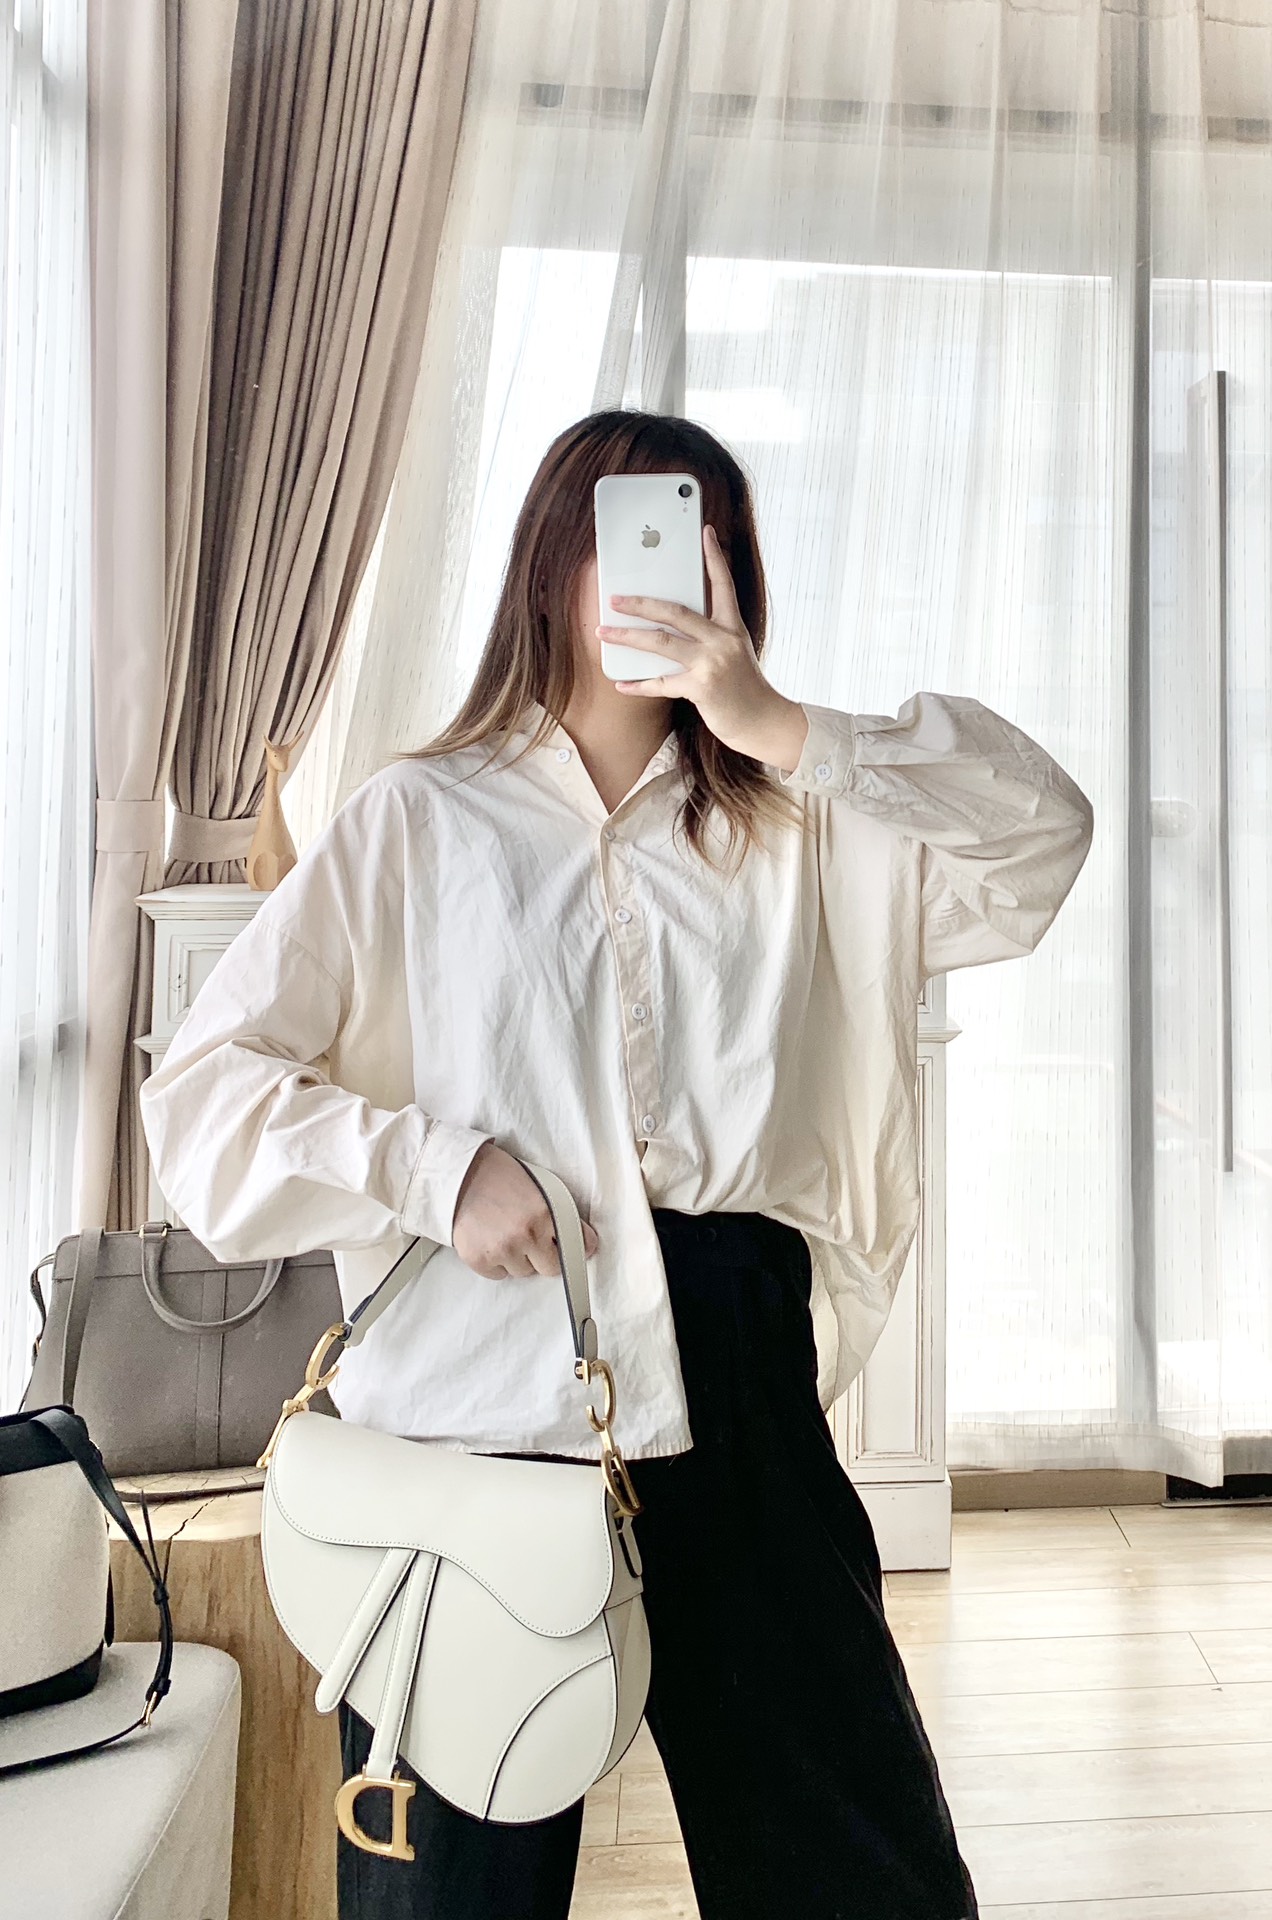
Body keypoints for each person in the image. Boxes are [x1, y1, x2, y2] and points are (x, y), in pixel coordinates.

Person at [140, 408, 1094, 1920]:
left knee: (858, 1876)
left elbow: (1040, 836)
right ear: (553, 564)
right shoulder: (417, 819)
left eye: (709, 537)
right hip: (478, 1401)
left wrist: (781, 721)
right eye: (634, 531)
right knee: (449, 1896)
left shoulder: (804, 821)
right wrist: (436, 1170)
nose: (674, 567)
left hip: (735, 1380)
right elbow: (201, 1099)